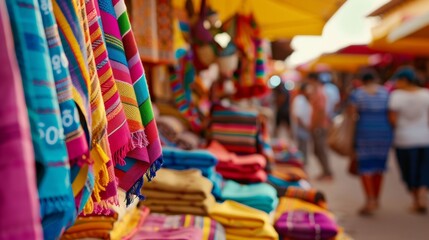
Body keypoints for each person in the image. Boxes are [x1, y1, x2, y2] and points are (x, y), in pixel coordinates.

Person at [349, 70, 392, 215]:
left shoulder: (358, 94)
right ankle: (377, 198)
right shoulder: (386, 93)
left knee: (365, 167)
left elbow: (352, 115)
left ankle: (369, 199)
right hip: (384, 132)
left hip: (365, 132)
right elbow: (391, 114)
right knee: (379, 167)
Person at [388, 67, 429, 214]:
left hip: (404, 138)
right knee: (423, 169)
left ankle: (416, 199)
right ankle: (422, 192)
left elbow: (393, 119)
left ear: (405, 80)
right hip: (424, 137)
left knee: (408, 170)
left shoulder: (397, 96)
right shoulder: (426, 94)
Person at [308, 73, 333, 180]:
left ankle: (327, 173)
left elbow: (321, 111)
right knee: (318, 150)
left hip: (319, 126)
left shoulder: (319, 92)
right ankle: (325, 172)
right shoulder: (318, 91)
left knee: (321, 150)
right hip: (318, 125)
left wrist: (316, 126)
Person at [292, 83, 312, 165]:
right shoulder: (300, 100)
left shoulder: (304, 99)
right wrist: (305, 127)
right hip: (302, 128)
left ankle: (303, 164)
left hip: (304, 128)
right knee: (302, 149)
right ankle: (302, 164)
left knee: (304, 148)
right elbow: (298, 116)